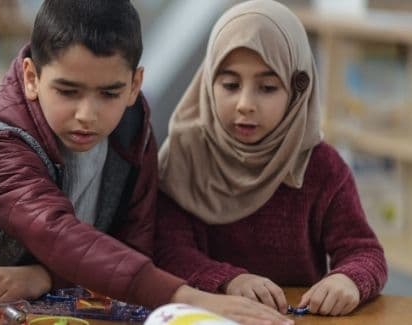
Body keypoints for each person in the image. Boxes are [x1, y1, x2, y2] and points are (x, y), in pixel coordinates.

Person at [0, 1, 291, 324]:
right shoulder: (4, 146)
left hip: (79, 305)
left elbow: (133, 244)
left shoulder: (133, 131)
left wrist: (47, 276)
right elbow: (60, 236)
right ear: (31, 78)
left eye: (109, 93)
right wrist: (192, 298)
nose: (88, 114)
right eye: (68, 91)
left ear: (134, 85)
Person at [155, 0, 387, 317]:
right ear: (207, 82)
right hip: (209, 315)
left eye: (267, 87)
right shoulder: (184, 156)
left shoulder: (321, 167)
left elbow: (364, 251)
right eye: (230, 85)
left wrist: (349, 279)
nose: (245, 104)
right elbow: (168, 251)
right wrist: (230, 279)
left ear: (296, 90)